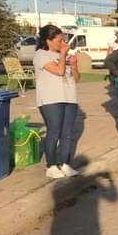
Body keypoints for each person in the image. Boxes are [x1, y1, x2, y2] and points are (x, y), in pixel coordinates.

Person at [33, 24, 80, 179]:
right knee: (54, 132)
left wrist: (74, 65)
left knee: (67, 133)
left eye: (63, 40)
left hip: (70, 97)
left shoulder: (63, 55)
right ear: (48, 40)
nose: (63, 43)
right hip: (50, 99)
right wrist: (63, 55)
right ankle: (51, 165)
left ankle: (65, 163)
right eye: (59, 40)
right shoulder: (41, 55)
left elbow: (76, 79)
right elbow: (59, 71)